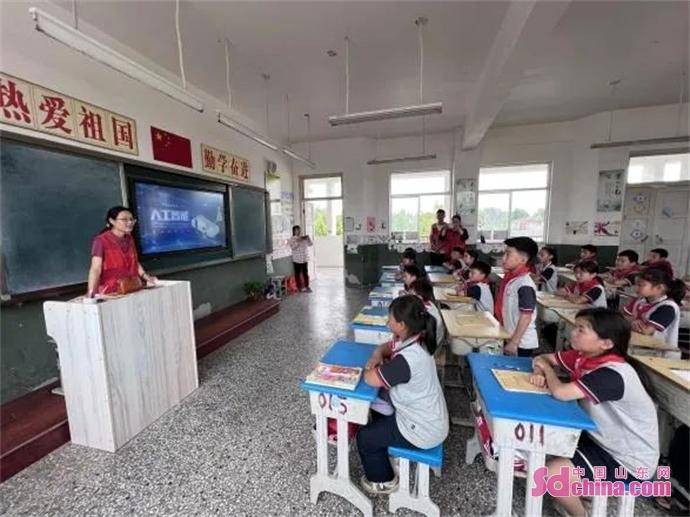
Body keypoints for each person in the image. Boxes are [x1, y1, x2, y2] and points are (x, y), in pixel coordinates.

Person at [529, 308, 659, 517]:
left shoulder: (612, 374)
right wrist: (540, 368)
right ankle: (582, 491)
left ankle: (582, 514)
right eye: (575, 327)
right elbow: (544, 358)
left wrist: (547, 371)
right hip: (602, 441)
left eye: (582, 330)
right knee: (546, 443)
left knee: (553, 475)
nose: (573, 333)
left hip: (628, 462)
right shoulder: (585, 357)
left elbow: (561, 392)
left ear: (606, 343)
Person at [357, 295, 449, 494]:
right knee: (380, 411)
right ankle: (390, 455)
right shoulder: (416, 340)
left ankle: (382, 481)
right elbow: (386, 348)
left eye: (390, 318)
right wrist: (377, 355)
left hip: (423, 429)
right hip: (428, 417)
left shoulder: (407, 360)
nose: (387, 322)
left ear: (401, 324)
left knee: (365, 437)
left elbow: (369, 379)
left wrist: (369, 368)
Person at [87, 206, 156, 297]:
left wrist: (146, 277)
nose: (130, 222)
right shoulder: (101, 241)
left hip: (131, 287)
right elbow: (96, 269)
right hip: (111, 292)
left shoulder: (130, 239)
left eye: (132, 219)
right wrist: (91, 293)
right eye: (125, 220)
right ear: (112, 221)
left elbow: (135, 261)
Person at [622, 268, 686, 356]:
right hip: (639, 348)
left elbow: (645, 331)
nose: (637, 289)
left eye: (641, 285)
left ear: (659, 287)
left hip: (660, 355)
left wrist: (630, 321)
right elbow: (622, 317)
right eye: (637, 285)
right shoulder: (640, 300)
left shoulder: (667, 307)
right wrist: (632, 321)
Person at [495, 237, 539, 357]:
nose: (503, 258)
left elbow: (526, 316)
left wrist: (514, 342)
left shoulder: (524, 284)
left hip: (521, 343)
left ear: (523, 259)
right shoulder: (512, 279)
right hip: (510, 335)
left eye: (508, 254)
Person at [408, 278, 446, 349]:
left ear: (419, 297)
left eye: (411, 295)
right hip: (430, 343)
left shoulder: (425, 314)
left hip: (426, 348)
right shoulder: (428, 303)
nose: (408, 297)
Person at [289, 225, 313, 293]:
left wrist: (308, 238)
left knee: (305, 273)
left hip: (304, 259)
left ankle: (307, 286)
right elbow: (293, 247)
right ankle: (299, 287)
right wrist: (298, 241)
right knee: (297, 274)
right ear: (293, 231)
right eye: (296, 230)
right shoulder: (292, 239)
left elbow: (310, 244)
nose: (297, 231)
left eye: (298, 230)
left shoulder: (304, 238)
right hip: (297, 259)